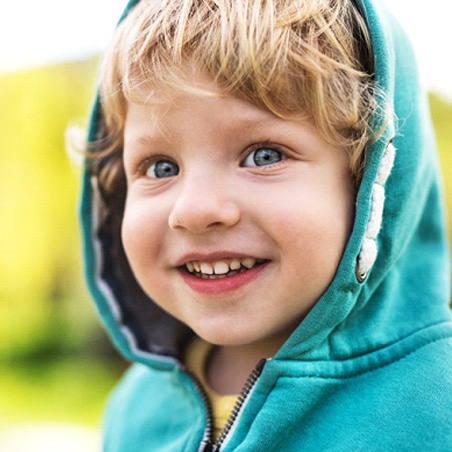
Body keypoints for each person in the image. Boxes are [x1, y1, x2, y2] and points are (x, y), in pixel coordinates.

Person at [79, 0, 452, 450]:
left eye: (264, 155)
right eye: (160, 167)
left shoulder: (435, 403)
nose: (195, 210)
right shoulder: (136, 408)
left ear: (372, 182)